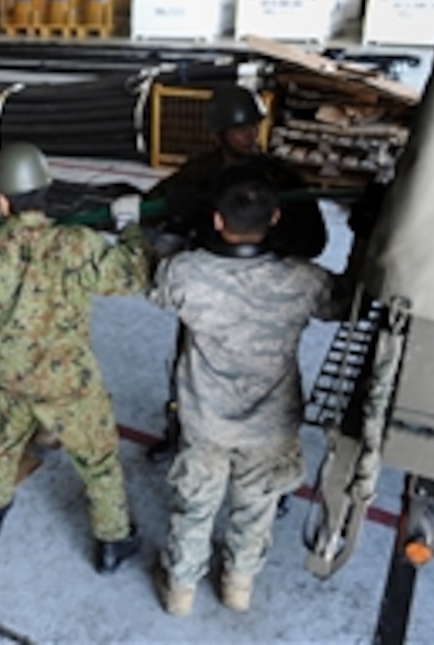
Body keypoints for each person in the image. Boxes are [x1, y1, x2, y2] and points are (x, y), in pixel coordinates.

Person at [148, 164, 348, 616]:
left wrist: (173, 234)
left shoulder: (187, 274)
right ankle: (238, 585)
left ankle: (180, 589)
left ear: (218, 221)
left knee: (194, 507)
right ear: (275, 219)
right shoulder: (304, 279)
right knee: (255, 509)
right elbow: (345, 303)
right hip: (270, 424)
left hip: (205, 420)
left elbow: (156, 284)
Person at [0, 141, 152, 574]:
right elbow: (132, 275)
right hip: (68, 377)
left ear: (2, 199)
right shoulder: (76, 243)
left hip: (13, 373)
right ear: (46, 189)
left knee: (1, 440)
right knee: (98, 458)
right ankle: (111, 541)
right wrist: (129, 228)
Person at [143, 84, 328, 464]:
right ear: (218, 134)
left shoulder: (281, 179)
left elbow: (314, 240)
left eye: (253, 126)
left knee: (268, 371)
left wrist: (271, 243)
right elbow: (151, 211)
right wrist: (177, 216)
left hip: (266, 289)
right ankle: (180, 433)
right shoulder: (198, 175)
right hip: (210, 286)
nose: (250, 135)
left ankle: (266, 458)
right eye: (240, 129)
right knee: (190, 364)